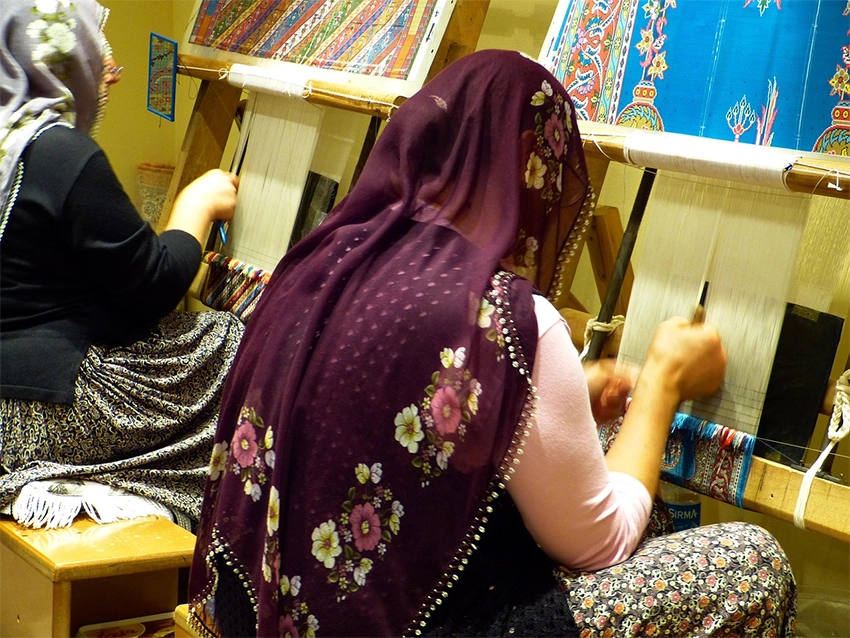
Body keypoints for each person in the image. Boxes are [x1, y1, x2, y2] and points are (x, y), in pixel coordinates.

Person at [187, 50, 796, 636]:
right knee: (751, 564)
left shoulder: (321, 264)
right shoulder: (501, 316)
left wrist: (535, 400)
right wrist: (662, 382)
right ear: (529, 165)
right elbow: (600, 541)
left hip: (254, 614)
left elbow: (378, 398)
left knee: (633, 501)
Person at [0, 0, 244, 531]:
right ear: (64, 59)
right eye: (98, 54)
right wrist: (195, 209)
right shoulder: (57, 152)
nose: (109, 75)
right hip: (47, 412)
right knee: (236, 346)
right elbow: (153, 285)